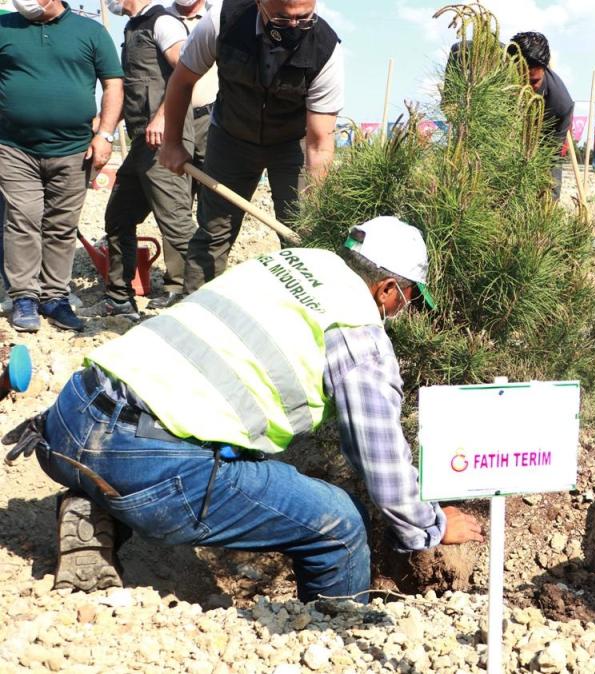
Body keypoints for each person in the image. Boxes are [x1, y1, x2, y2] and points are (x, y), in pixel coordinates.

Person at [26, 217, 484, 598]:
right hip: (146, 458)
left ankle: (99, 503)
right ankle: (336, 638)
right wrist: (430, 526)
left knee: (233, 448)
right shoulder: (360, 334)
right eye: (406, 299)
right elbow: (380, 464)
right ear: (387, 289)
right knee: (341, 525)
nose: (400, 312)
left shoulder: (292, 263)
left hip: (69, 416)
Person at [157, 0, 343, 293]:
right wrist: (171, 143)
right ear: (260, 4)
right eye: (283, 19)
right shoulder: (222, 21)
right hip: (231, 137)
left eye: (304, 18)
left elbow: (320, 144)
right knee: (213, 232)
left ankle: (303, 318)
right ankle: (194, 309)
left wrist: (318, 205)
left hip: (291, 144)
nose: (295, 27)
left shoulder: (326, 49)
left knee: (302, 234)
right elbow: (181, 82)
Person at [0, 0, 123, 333]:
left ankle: (55, 298)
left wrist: (106, 134)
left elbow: (113, 83)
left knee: (61, 224)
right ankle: (24, 296)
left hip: (74, 150)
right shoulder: (4, 28)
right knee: (23, 218)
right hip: (14, 148)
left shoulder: (90, 32)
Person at [82, 0, 195, 320]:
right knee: (119, 216)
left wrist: (163, 116)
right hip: (141, 145)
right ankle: (119, 298)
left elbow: (186, 72)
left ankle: (203, 301)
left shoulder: (163, 23)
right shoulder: (134, 27)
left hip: (165, 142)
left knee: (177, 225)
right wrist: (101, 129)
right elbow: (130, 92)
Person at [165, 0, 219, 205]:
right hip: (174, 121)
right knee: (177, 196)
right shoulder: (161, 19)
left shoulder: (217, 18)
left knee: (213, 194)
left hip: (209, 119)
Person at [507, 31, 574, 145]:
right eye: (520, 80)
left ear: (545, 70)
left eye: (533, 82)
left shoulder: (560, 106)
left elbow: (549, 157)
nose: (525, 88)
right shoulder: (490, 62)